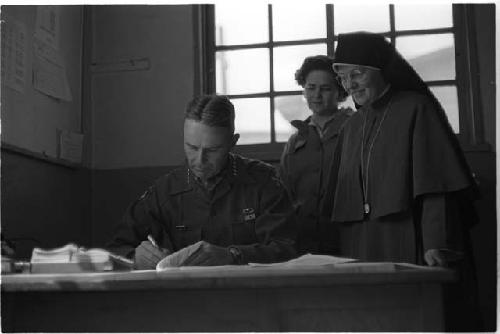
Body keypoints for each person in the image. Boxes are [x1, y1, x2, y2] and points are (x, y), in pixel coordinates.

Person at [330, 32, 481, 330]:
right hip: (360, 245)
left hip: (407, 241)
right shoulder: (351, 126)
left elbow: (436, 185)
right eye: (344, 76)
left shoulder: (415, 108)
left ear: (381, 69)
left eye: (358, 73)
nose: (350, 84)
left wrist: (437, 243)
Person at [107, 95, 297, 269]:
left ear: (233, 142)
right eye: (191, 147)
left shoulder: (263, 182)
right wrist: (134, 257)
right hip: (183, 298)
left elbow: (289, 247)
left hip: (250, 296)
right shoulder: (164, 191)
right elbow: (115, 249)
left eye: (212, 150)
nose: (199, 160)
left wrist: (233, 255)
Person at [279, 55, 352, 255]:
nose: (317, 95)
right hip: (304, 243)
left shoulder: (355, 130)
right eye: (311, 88)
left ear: (340, 91)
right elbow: (284, 194)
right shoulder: (295, 141)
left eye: (325, 89)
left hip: (347, 239)